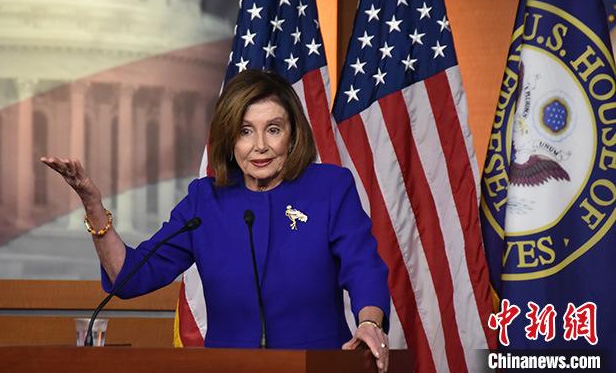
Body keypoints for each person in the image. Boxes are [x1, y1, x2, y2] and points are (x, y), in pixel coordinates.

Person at [41, 70, 391, 372]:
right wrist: (92, 204)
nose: (260, 146)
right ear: (229, 138)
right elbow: (129, 276)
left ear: (293, 135)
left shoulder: (329, 188)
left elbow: (363, 266)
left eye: (273, 129)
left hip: (318, 367)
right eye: (245, 131)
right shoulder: (205, 201)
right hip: (229, 368)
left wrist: (369, 323)